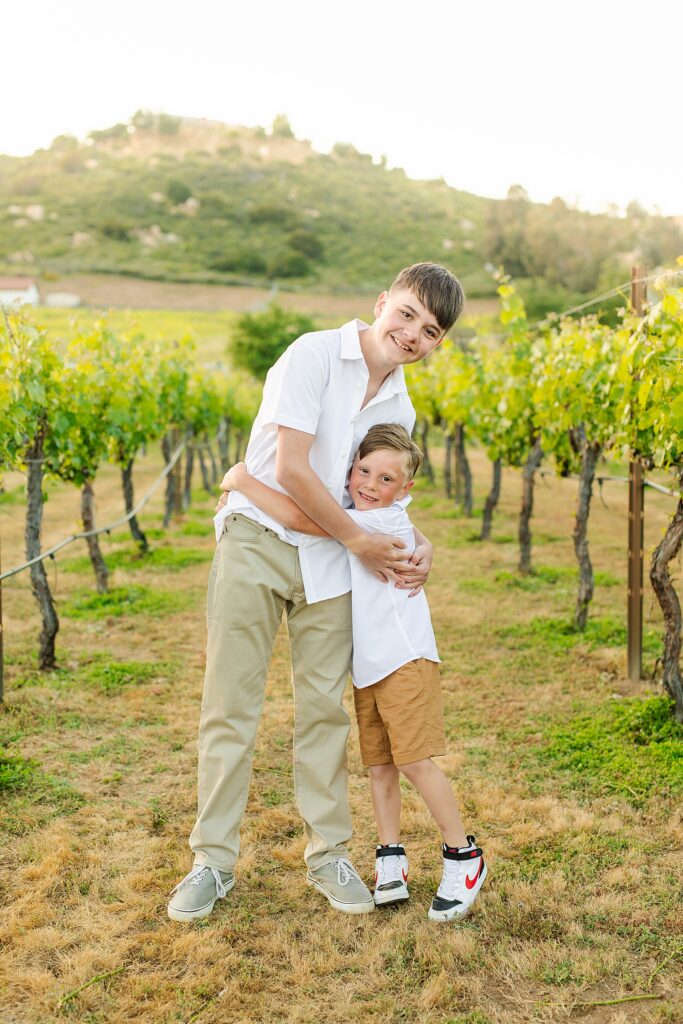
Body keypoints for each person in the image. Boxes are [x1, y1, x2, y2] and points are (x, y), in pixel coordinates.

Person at [168, 263, 464, 923]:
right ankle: (211, 862)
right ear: (382, 300)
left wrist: (419, 544)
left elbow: (380, 495)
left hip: (330, 565)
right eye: (408, 314)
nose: (413, 333)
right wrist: (356, 539)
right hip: (256, 543)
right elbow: (295, 471)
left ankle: (328, 854)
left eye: (431, 330)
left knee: (324, 715)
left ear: (437, 344)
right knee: (230, 708)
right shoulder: (311, 355)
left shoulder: (400, 408)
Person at [220, 424, 486, 921]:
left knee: (414, 763)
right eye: (362, 470)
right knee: (380, 765)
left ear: (404, 491)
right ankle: (390, 858)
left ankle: (463, 855)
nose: (369, 483)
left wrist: (241, 480)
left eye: (385, 478)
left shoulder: (376, 527)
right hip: (370, 668)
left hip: (404, 661)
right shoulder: (373, 518)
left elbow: (299, 519)